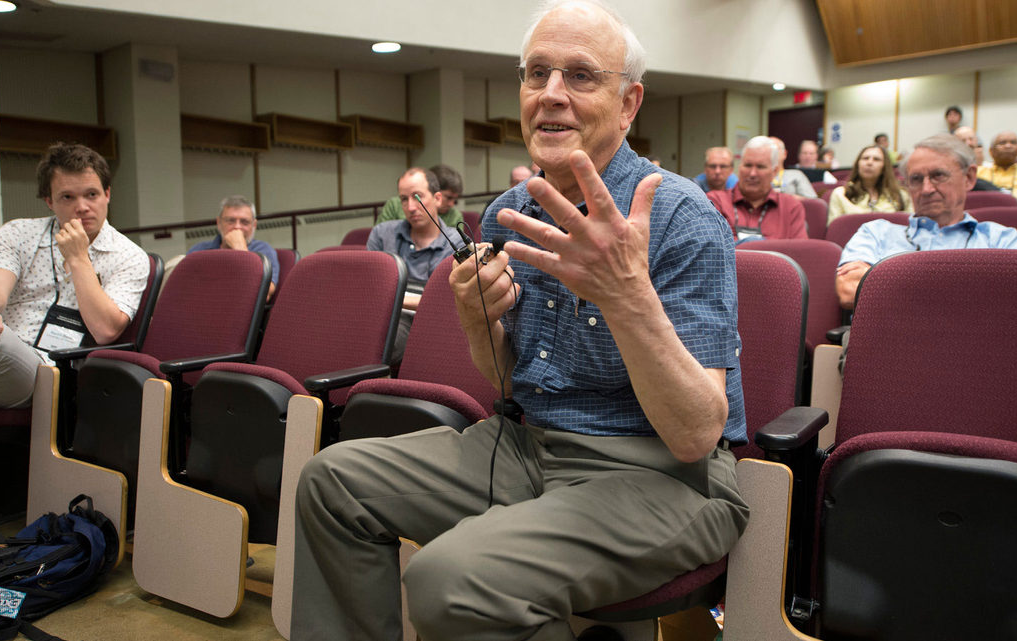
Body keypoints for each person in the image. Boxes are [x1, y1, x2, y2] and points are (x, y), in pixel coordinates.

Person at [292, 2, 749, 640]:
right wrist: (477, 319)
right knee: (330, 481)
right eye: (537, 74)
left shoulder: (678, 215)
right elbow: (507, 380)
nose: (551, 94)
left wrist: (625, 296)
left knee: (449, 579)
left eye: (580, 75)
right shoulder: (511, 211)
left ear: (628, 103)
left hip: (661, 476)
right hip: (529, 448)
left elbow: (696, 434)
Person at [0, 143, 148, 409]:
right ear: (49, 201)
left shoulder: (130, 256)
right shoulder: (18, 234)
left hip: (51, 375)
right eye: (67, 197)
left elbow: (105, 330)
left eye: (91, 194)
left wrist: (78, 258)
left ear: (107, 194)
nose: (82, 207)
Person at [836, 134, 1017, 309]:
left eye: (938, 176)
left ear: (969, 178)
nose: (926, 189)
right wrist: (972, 289)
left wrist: (881, 279)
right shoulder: (875, 232)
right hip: (889, 335)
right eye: (916, 179)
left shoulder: (1002, 239)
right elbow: (849, 292)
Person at [367, 167, 463, 363]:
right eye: (404, 199)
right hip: (381, 317)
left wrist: (393, 299)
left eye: (418, 197)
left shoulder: (456, 243)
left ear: (437, 199)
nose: (410, 207)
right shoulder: (382, 234)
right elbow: (370, 290)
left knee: (376, 340)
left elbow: (446, 302)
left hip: (428, 324)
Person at [708, 135, 808, 242]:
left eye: (760, 167)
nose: (752, 173)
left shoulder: (791, 207)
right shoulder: (715, 202)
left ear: (774, 172)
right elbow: (710, 248)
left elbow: (799, 251)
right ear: (739, 167)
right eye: (748, 165)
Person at [187, 195, 280, 298]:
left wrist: (241, 250)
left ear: (254, 225)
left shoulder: (264, 251)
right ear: (219, 223)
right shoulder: (198, 250)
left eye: (244, 222)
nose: (237, 227)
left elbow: (266, 292)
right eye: (231, 221)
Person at [827, 145, 912, 223]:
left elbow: (911, 228)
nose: (869, 162)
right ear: (858, 164)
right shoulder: (840, 194)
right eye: (865, 158)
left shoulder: (901, 195)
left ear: (884, 167)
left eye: (876, 159)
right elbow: (835, 230)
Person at [375, 163, 465, 229]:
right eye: (449, 198)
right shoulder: (394, 206)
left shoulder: (455, 216)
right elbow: (380, 237)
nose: (451, 204)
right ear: (434, 193)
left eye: (455, 200)